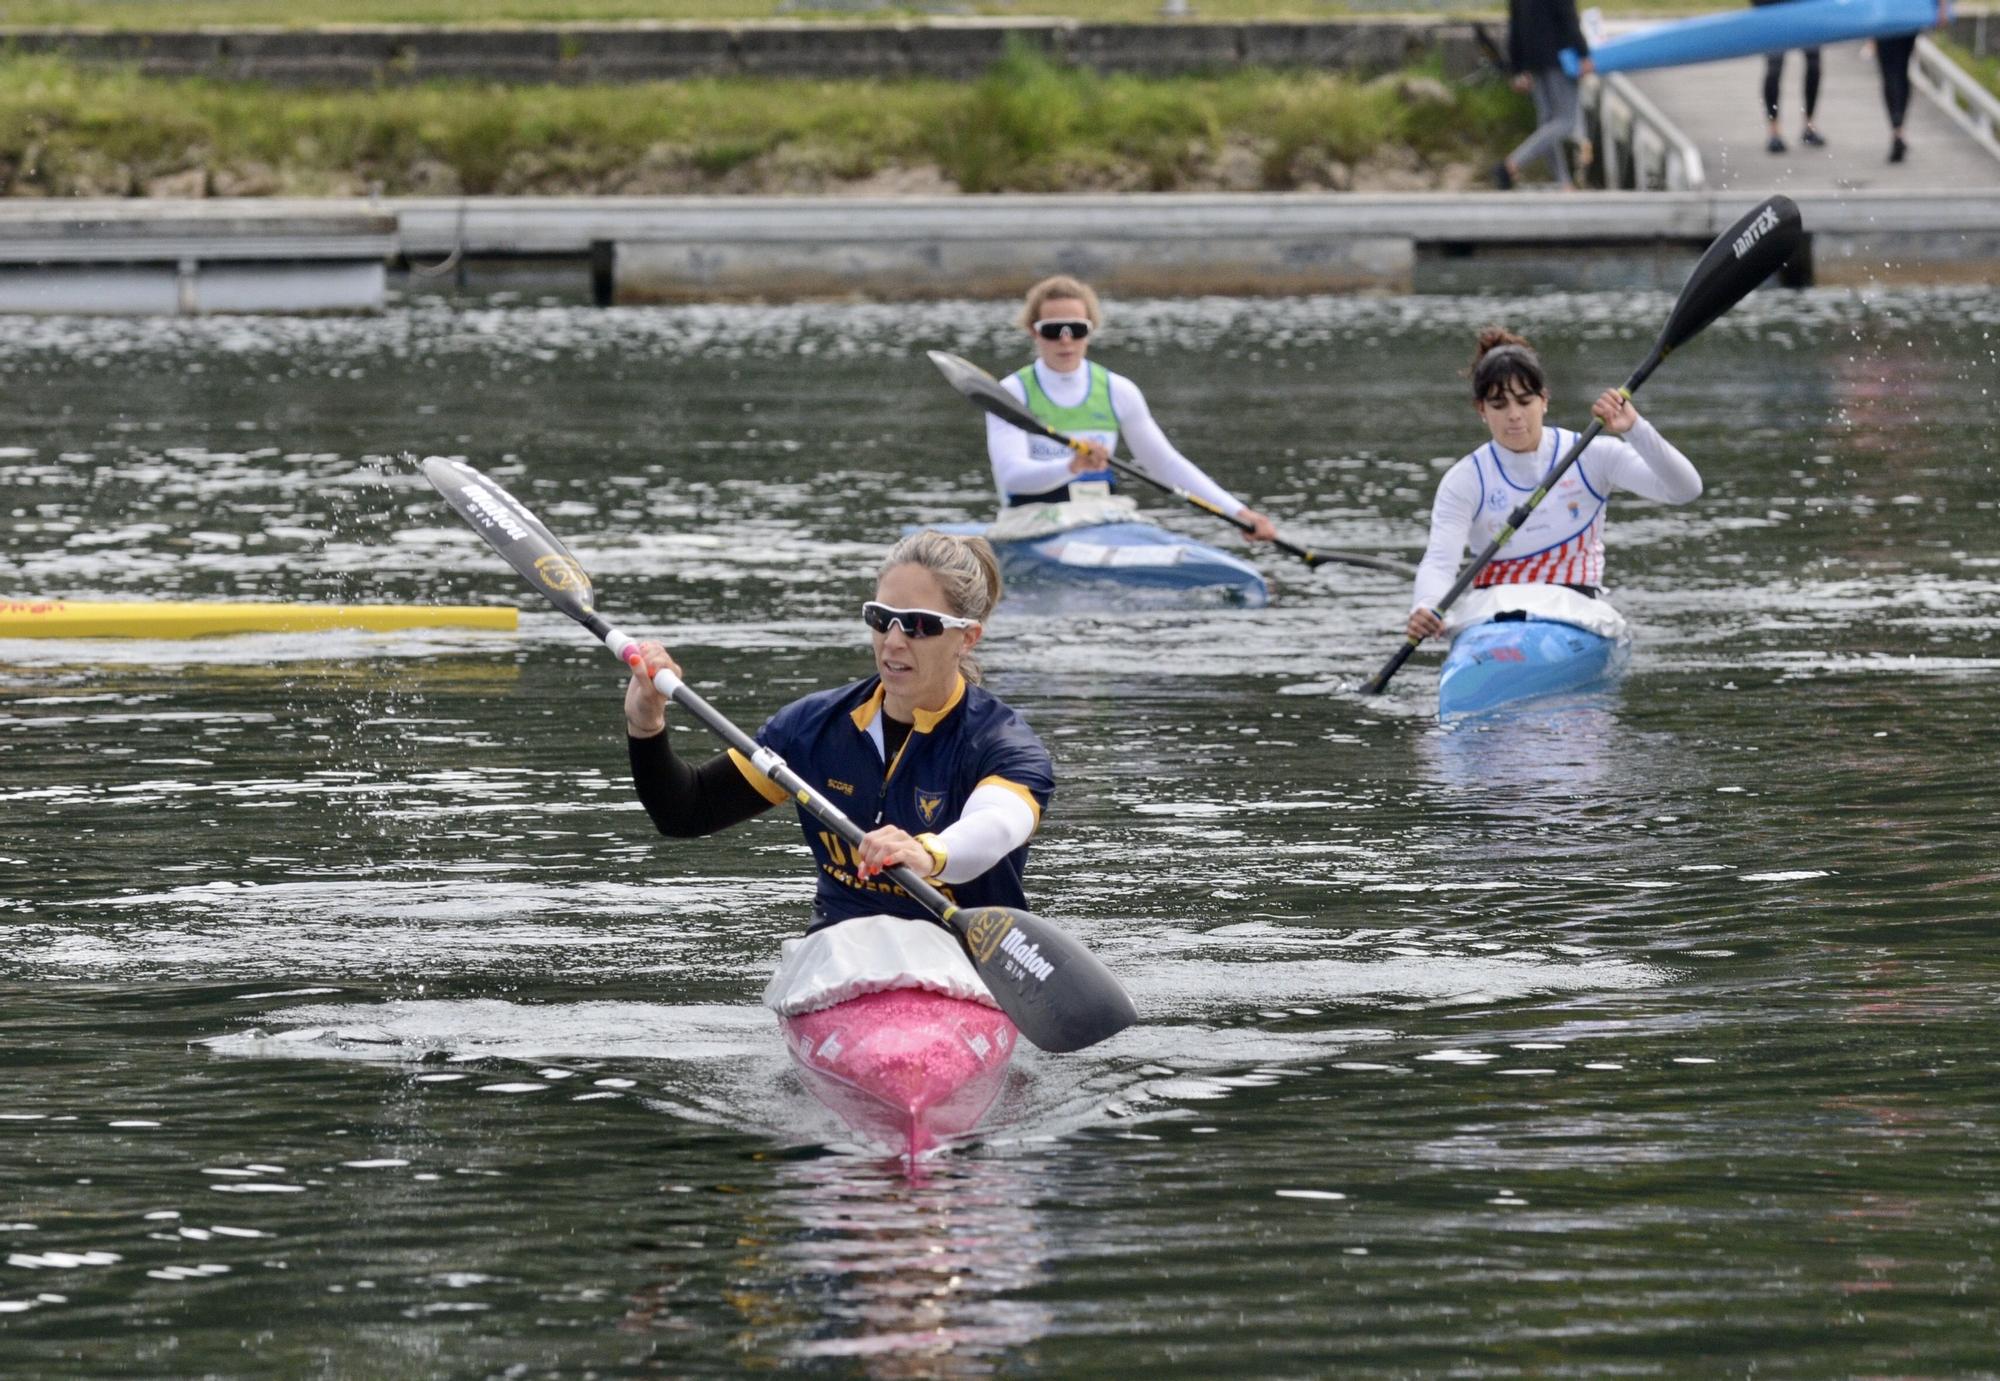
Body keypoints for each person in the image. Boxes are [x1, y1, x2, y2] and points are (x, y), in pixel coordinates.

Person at [623, 529, 1053, 934]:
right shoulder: (811, 729)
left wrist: (927, 854)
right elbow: (685, 811)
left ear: (968, 637)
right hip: (845, 958)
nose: (894, 641)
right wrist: (646, 724)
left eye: (919, 625)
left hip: (963, 963)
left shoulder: (1003, 746)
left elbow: (996, 824)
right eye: (882, 619)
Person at [1403, 328, 1702, 647]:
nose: (1514, 416)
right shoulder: (1466, 479)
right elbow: (1439, 561)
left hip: (1576, 613)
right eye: (1499, 405)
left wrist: (1635, 429)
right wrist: (1426, 606)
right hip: (1493, 617)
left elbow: (1685, 489)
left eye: (1524, 401)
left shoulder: (1592, 455)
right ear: (1481, 410)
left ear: (1544, 400)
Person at [985, 274, 1276, 541]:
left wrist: (1238, 513)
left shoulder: (1118, 391)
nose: (1066, 340)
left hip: (1101, 516)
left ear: (1090, 331)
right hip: (1033, 521)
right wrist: (1072, 465)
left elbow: (1165, 464)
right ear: (1033, 332)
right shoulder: (1012, 393)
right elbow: (1012, 476)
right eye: (1052, 330)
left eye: (1076, 329)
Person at [1495, 0, 1594, 191]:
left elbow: (1515, 27)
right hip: (1560, 59)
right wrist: (1583, 54)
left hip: (1533, 61)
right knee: (1566, 121)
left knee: (1547, 123)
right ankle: (1511, 164)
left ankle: (1564, 184)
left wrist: (1516, 69)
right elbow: (1568, 19)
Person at [1875, 0, 1952, 164]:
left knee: (1889, 72)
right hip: (1908, 11)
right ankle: (1900, 129)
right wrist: (1942, 9)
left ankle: (1897, 129)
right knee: (1901, 70)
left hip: (1884, 13)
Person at [1754, 0, 1824, 154]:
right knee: (1774, 67)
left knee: (1814, 65)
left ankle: (1809, 125)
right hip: (1773, 8)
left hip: (1806, 8)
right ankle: (1774, 131)